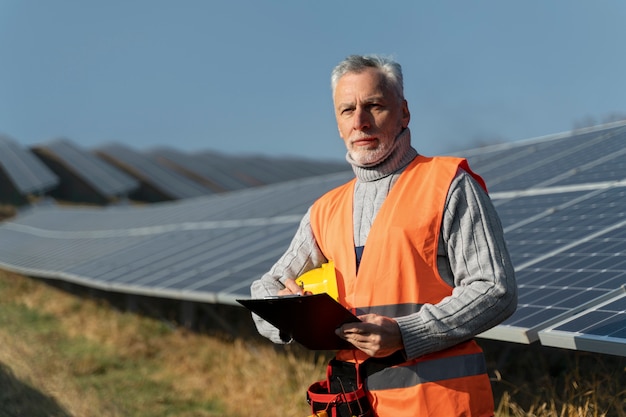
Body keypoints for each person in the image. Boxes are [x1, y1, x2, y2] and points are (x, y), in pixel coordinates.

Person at [250, 54, 517, 416]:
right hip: (355, 404)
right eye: (347, 110)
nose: (360, 121)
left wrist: (406, 333)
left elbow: (495, 289)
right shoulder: (325, 209)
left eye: (373, 105)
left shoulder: (449, 185)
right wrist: (289, 311)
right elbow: (266, 287)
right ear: (338, 123)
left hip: (438, 405)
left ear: (404, 113)